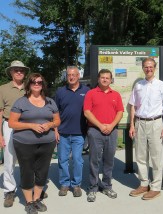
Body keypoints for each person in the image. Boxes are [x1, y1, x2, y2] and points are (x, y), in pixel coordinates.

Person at [8, 73, 60, 214]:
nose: (36, 84)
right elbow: (12, 123)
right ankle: (28, 202)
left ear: (43, 84)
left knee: (42, 171)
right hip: (24, 143)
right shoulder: (21, 102)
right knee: (27, 171)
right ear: (29, 85)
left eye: (39, 82)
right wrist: (31, 126)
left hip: (47, 143)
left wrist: (50, 124)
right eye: (33, 82)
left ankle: (36, 199)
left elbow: (57, 121)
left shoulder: (50, 101)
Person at [128, 57, 163, 200]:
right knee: (141, 156)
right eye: (146, 67)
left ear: (155, 68)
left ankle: (155, 187)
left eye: (151, 67)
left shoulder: (162, 85)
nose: (148, 69)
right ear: (143, 68)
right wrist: (131, 124)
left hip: (156, 123)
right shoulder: (138, 86)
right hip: (140, 123)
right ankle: (143, 184)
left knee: (156, 156)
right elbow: (133, 107)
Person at [83, 69, 123, 202]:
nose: (105, 79)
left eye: (107, 78)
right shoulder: (91, 93)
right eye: (102, 77)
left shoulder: (116, 94)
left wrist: (111, 126)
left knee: (109, 160)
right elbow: (87, 112)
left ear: (111, 80)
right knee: (94, 160)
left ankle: (106, 186)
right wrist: (100, 125)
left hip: (112, 131)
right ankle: (93, 187)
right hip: (95, 131)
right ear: (98, 79)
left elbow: (120, 112)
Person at [54, 66, 90, 197]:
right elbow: (55, 112)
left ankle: (76, 185)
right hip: (63, 132)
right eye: (69, 74)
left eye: (74, 74)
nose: (71, 77)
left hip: (79, 132)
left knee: (77, 160)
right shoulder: (60, 92)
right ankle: (64, 184)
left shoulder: (86, 91)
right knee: (62, 159)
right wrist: (55, 130)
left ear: (78, 75)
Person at [0, 60, 28, 207]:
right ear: (11, 72)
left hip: (27, 125)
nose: (18, 72)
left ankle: (29, 188)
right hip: (9, 126)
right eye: (15, 70)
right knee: (9, 159)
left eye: (21, 70)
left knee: (28, 159)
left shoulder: (30, 88)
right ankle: (10, 190)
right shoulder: (3, 89)